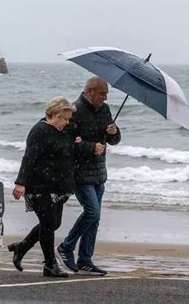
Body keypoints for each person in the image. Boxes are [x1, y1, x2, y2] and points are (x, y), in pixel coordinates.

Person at [55, 76, 121, 276]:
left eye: (107, 94)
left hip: (100, 173)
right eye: (103, 94)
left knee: (95, 218)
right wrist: (91, 147)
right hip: (80, 172)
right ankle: (66, 247)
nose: (105, 98)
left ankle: (85, 259)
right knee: (92, 212)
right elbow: (66, 144)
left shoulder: (105, 110)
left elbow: (114, 140)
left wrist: (114, 131)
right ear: (90, 91)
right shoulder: (75, 111)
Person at [8, 96, 76, 278]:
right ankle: (50, 265)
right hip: (38, 186)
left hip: (56, 186)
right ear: (54, 115)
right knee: (47, 224)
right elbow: (29, 158)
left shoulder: (60, 131)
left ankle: (22, 246)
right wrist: (20, 183)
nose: (67, 123)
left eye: (69, 119)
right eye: (65, 119)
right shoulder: (39, 130)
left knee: (54, 223)